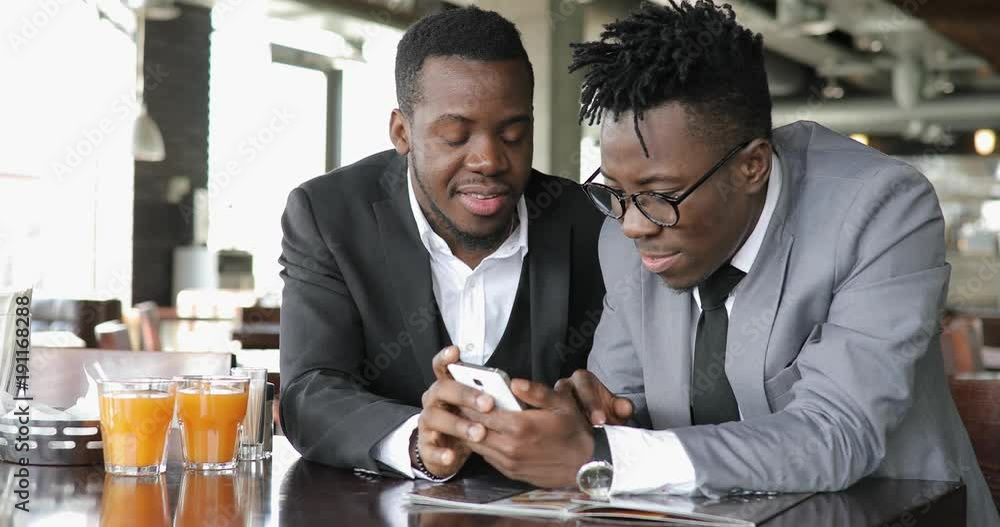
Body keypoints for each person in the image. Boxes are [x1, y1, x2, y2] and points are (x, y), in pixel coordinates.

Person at [442, 2, 997, 525]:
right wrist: (585, 417)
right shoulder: (627, 231)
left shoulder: (882, 210)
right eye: (615, 191)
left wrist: (601, 454)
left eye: (660, 192)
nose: (633, 223)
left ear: (753, 166)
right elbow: (627, 407)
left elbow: (838, 435)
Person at [278, 6, 605, 481]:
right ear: (402, 132)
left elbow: (632, 389)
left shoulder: (592, 224)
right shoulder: (329, 215)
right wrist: (415, 441)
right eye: (455, 136)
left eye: (513, 135)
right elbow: (310, 392)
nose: (489, 160)